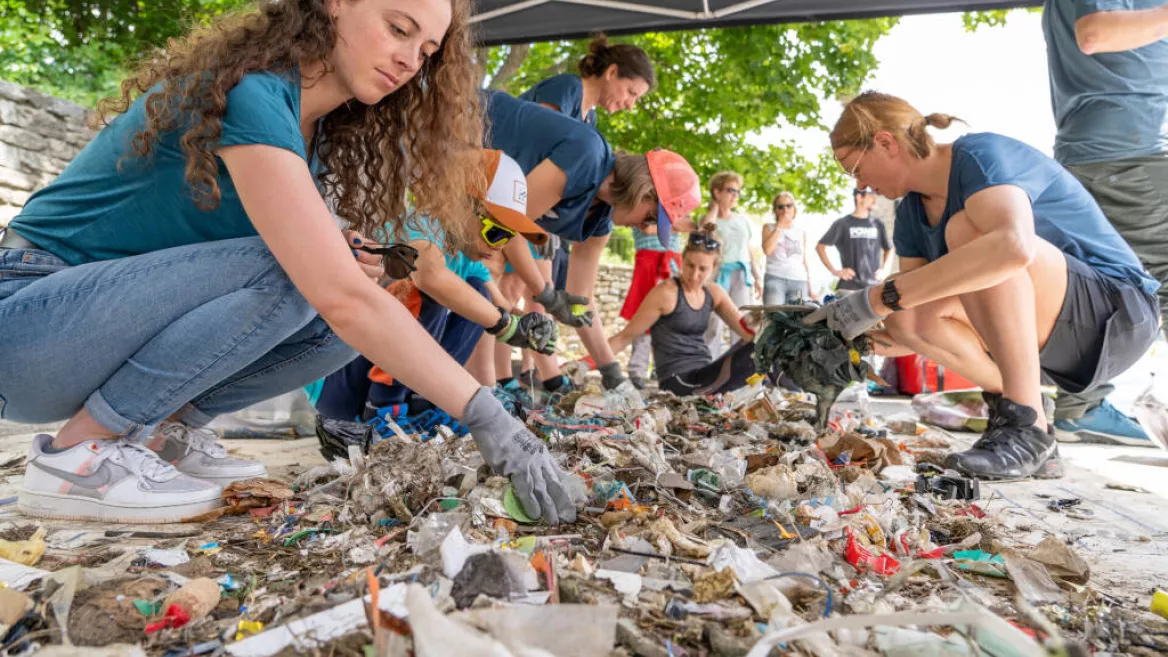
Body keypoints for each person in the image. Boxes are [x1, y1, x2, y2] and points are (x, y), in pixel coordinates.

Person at [0, 0, 576, 526]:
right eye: (398, 28)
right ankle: (80, 456)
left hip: (78, 340)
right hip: (25, 320)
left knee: (333, 317)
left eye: (425, 52)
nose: (408, 60)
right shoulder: (252, 91)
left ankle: (163, 436)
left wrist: (338, 251)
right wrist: (488, 417)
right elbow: (333, 289)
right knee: (307, 276)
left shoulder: (317, 135)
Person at [811, 91, 1160, 481]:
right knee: (906, 316)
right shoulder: (911, 209)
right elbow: (911, 318)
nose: (859, 183)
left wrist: (876, 298)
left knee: (971, 234)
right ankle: (1028, 418)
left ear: (885, 142)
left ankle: (1026, 428)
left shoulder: (980, 156)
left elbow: (1011, 247)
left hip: (1119, 315)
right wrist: (848, 338)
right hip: (1060, 339)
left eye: (852, 167)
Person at [314, 150, 557, 450]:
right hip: (338, 388)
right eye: (495, 233)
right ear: (456, 205)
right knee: (430, 292)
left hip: (364, 375)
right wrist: (506, 325)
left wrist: (524, 325)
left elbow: (496, 307)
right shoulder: (419, 226)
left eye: (507, 238)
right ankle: (383, 411)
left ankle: (422, 407)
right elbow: (429, 276)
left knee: (476, 297)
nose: (499, 248)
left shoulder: (463, 257)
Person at [484, 90, 703, 395]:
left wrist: (612, 373)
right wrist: (545, 295)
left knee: (484, 279)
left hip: (478, 200)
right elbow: (501, 227)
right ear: (644, 192)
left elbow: (581, 298)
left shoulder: (600, 221)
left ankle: (478, 392)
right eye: (651, 217)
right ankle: (481, 389)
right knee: (486, 269)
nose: (643, 227)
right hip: (452, 128)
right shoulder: (588, 155)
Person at [1041, 0, 1168, 446]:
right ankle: (1081, 407)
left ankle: (1080, 407)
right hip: (1126, 154)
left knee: (1104, 289)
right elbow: (1095, 34)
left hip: (1096, 150)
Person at [609, 232, 759, 396]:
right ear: (682, 260)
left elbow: (749, 334)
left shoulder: (714, 292)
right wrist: (585, 364)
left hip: (705, 372)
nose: (694, 275)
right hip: (677, 380)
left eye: (702, 269)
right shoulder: (666, 292)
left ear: (714, 268)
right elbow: (623, 337)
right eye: (689, 265)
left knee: (761, 346)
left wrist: (766, 324)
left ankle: (784, 386)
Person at [518, 34, 654, 125]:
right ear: (612, 72)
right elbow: (538, 140)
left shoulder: (590, 118)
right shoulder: (569, 88)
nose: (631, 106)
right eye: (631, 92)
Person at [701, 171, 760, 358]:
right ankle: (708, 367)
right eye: (730, 190)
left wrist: (757, 277)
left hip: (742, 274)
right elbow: (704, 232)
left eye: (738, 191)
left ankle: (740, 369)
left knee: (743, 322)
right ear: (717, 192)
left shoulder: (742, 220)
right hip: (718, 275)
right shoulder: (708, 219)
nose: (735, 195)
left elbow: (749, 249)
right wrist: (713, 209)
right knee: (713, 324)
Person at [620, 225, 683, 389]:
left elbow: (690, 225)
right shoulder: (645, 201)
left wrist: (667, 227)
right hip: (648, 261)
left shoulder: (678, 205)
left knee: (670, 320)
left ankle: (661, 368)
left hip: (672, 264)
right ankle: (637, 370)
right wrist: (675, 226)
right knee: (643, 317)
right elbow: (646, 228)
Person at [815, 188, 892, 294]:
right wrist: (835, 271)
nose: (875, 199)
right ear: (859, 197)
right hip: (849, 287)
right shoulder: (842, 223)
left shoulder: (878, 224)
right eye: (871, 196)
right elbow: (820, 247)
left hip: (874, 287)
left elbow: (889, 248)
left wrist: (885, 270)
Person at [762, 192, 816, 305]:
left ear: (794, 208)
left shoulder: (801, 232)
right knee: (774, 317)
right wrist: (779, 226)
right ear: (775, 210)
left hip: (799, 281)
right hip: (775, 279)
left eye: (789, 205)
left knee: (796, 320)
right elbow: (767, 250)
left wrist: (810, 288)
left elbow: (803, 261)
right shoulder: (769, 228)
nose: (785, 209)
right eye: (780, 207)